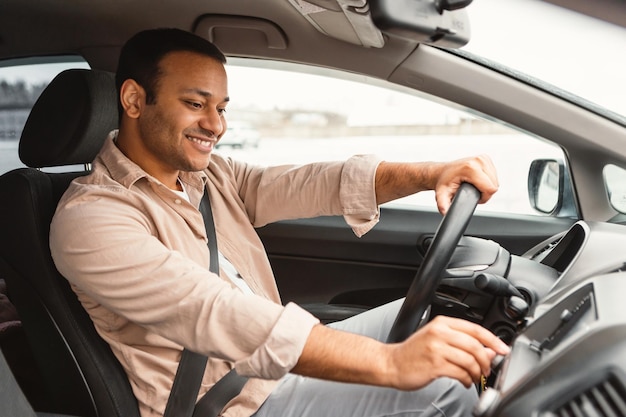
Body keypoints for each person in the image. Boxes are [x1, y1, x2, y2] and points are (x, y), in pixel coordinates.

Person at [50, 28, 509, 417]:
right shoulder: (92, 219)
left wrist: (431, 174)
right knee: (443, 386)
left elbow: (311, 183)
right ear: (134, 99)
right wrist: (390, 364)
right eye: (196, 103)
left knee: (445, 317)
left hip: (272, 370)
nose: (217, 125)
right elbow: (216, 312)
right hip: (236, 406)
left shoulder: (208, 176)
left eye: (222, 108)